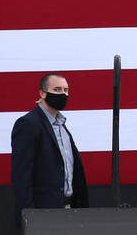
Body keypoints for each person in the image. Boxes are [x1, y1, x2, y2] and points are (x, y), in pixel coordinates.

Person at [11, 73, 89, 230]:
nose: (63, 94)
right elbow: (21, 176)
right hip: (43, 214)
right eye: (57, 89)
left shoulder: (62, 125)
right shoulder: (28, 124)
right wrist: (30, 217)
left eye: (66, 90)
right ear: (42, 93)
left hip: (69, 210)